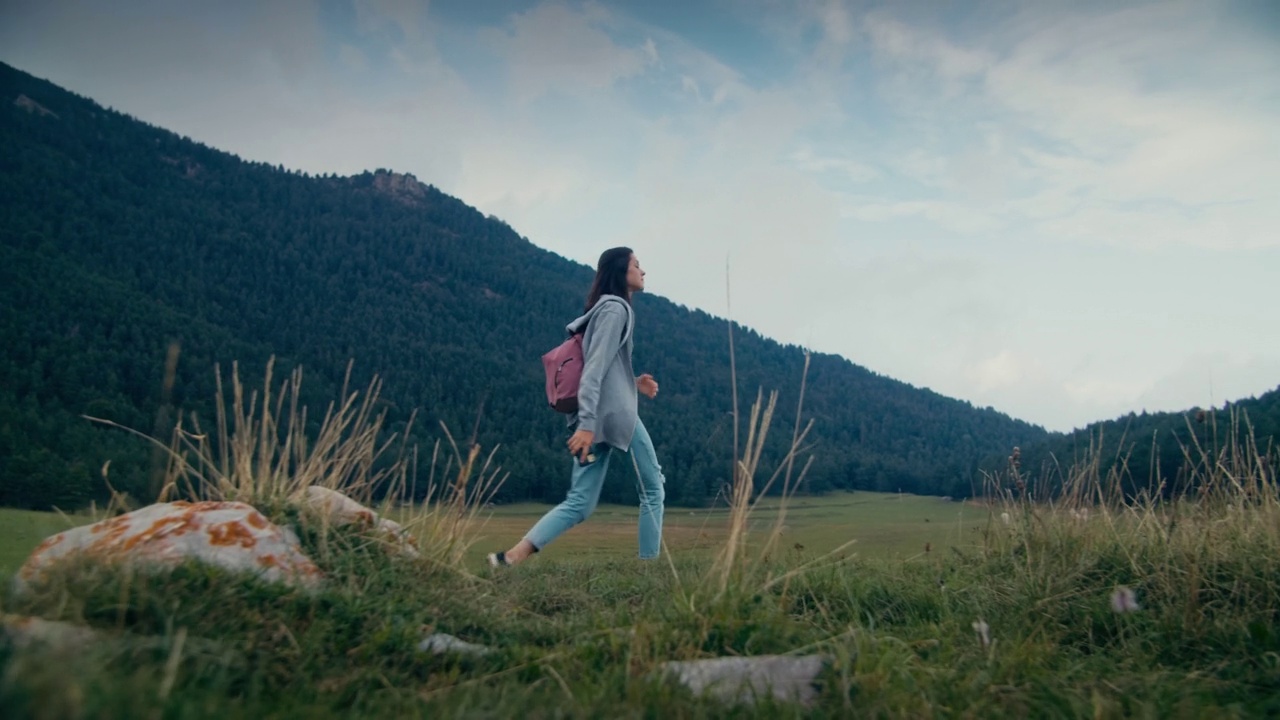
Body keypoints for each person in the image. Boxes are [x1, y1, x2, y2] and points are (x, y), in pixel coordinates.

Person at [488, 247, 666, 566]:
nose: (643, 271)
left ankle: (511, 558)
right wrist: (587, 425)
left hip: (598, 417)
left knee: (580, 503)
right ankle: (649, 568)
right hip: (611, 417)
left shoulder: (602, 309)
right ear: (620, 272)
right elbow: (594, 369)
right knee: (653, 490)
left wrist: (634, 381)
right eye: (637, 265)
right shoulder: (615, 310)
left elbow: (604, 366)